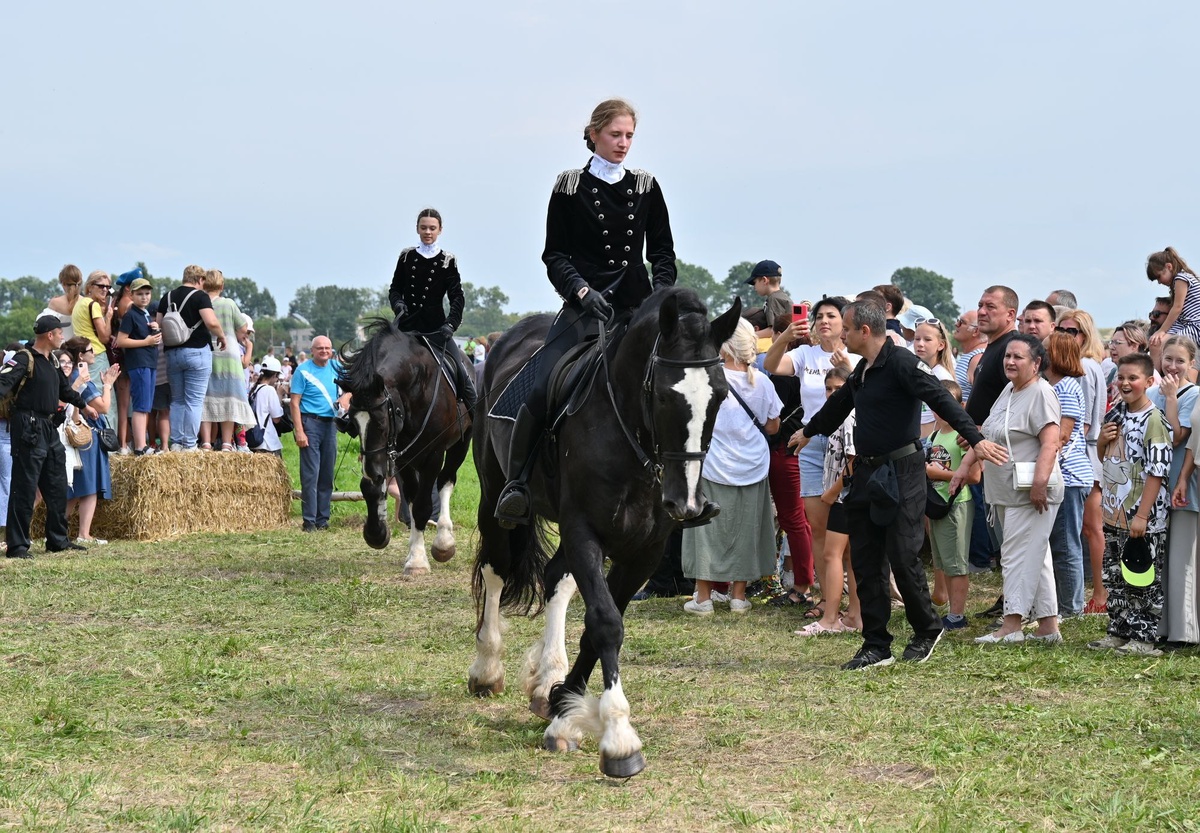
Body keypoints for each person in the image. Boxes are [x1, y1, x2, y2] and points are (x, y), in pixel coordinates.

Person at [793, 300, 1008, 670]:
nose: (841, 334)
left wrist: (975, 439)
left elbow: (942, 397)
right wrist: (807, 432)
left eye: (846, 328)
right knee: (865, 559)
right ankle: (877, 644)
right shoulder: (864, 369)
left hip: (904, 472)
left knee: (903, 556)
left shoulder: (903, 364)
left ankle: (927, 628)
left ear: (864, 330)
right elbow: (840, 404)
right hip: (868, 473)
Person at [494, 97, 677, 527]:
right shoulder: (569, 186)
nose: (624, 143)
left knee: (676, 387)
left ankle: (680, 485)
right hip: (584, 308)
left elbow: (663, 253)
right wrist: (579, 289)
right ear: (593, 134)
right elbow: (554, 254)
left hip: (636, 306)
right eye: (616, 134)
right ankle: (518, 483)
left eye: (630, 135)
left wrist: (660, 297)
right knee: (540, 390)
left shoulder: (647, 185)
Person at [953, 334, 1064, 645]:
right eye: (1007, 357)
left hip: (1031, 494)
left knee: (1015, 557)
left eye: (1018, 357)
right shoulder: (1009, 389)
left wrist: (1039, 485)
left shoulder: (1041, 393)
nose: (1010, 362)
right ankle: (1047, 628)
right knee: (1035, 557)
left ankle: (1012, 626)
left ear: (1037, 363)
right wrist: (963, 468)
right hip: (1006, 490)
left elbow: (1050, 443)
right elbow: (988, 435)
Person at [682, 319, 781, 615]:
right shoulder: (762, 381)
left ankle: (704, 597)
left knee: (706, 530)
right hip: (753, 464)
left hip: (714, 463)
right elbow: (774, 425)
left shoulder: (708, 378)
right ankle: (738, 596)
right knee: (748, 530)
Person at [763, 296, 856, 606]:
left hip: (849, 447)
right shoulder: (805, 354)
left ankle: (852, 594)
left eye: (832, 315)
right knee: (818, 527)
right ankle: (824, 596)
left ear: (845, 323)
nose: (824, 321)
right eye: (820, 316)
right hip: (813, 445)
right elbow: (771, 365)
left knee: (850, 528)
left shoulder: (856, 357)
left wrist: (848, 368)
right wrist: (786, 338)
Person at [1090, 353, 1172, 656]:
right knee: (1114, 575)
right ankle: (1119, 630)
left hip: (1142, 517)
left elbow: (1157, 471)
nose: (1124, 383)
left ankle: (1143, 637)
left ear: (1149, 382)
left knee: (1142, 577)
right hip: (1114, 513)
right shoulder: (1116, 415)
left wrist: (1142, 515)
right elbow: (1108, 459)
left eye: (1132, 378)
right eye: (1121, 377)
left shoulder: (1154, 420)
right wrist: (1101, 441)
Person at [0, 316, 96, 559]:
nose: (63, 336)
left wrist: (83, 405)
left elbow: (64, 390)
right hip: (28, 426)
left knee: (56, 485)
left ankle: (57, 540)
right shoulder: (24, 358)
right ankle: (18, 546)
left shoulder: (52, 361)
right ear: (49, 335)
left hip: (48, 427)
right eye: (59, 332)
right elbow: (3, 382)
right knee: (25, 487)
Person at [963, 286, 1021, 605]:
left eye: (991, 306)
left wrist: (981, 433)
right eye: (980, 305)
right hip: (984, 452)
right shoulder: (993, 349)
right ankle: (1008, 597)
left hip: (998, 456)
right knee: (999, 532)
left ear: (1010, 314)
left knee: (1009, 535)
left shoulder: (1010, 350)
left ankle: (1015, 601)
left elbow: (1016, 404)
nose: (982, 312)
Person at [794, 366, 861, 635]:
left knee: (834, 554)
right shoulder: (840, 418)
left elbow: (855, 461)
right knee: (843, 554)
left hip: (846, 497)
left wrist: (832, 492)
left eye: (838, 389)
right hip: (844, 495)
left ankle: (831, 618)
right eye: (828, 388)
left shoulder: (850, 418)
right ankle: (855, 615)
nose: (832, 394)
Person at [388, 207, 476, 414]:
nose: (428, 232)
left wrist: (450, 324)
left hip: (436, 329)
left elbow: (457, 297)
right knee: (376, 362)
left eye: (432, 228)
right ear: (417, 229)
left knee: (463, 377)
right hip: (406, 327)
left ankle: (479, 421)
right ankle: (353, 413)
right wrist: (397, 304)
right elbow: (395, 289)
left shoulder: (448, 260)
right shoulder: (406, 257)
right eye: (424, 228)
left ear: (440, 230)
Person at [1056, 309, 1111, 616]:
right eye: (1061, 331)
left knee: (1090, 528)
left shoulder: (1085, 367)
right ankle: (1097, 593)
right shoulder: (1084, 365)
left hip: (1085, 451)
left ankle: (1100, 594)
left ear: (1086, 335)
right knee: (1087, 528)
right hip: (1085, 450)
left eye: (1072, 331)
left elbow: (1085, 421)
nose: (1067, 337)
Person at [1152, 336, 1199, 645]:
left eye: (1179, 360)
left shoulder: (1192, 395)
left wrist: (1170, 399)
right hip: (1156, 483)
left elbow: (1177, 436)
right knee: (1162, 559)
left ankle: (1184, 631)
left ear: (1191, 364)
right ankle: (1162, 625)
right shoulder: (1152, 392)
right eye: (1168, 359)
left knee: (1183, 556)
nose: (1172, 366)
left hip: (1183, 482)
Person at [1043, 331, 1093, 618]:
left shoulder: (1068, 387)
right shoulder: (1054, 385)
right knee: (1057, 542)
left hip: (1070, 476)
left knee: (1065, 543)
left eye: (1045, 348)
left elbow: (1063, 434)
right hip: (1060, 474)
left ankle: (1071, 608)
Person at [926, 379, 981, 630]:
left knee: (957, 562)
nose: (940, 411)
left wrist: (939, 475)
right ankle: (951, 610)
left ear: (960, 406)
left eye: (947, 405)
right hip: (937, 504)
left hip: (956, 503)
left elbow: (975, 476)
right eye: (937, 404)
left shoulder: (963, 437)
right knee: (943, 561)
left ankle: (958, 615)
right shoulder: (935, 435)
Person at [158, 264, 227, 451]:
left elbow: (158, 325)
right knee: (194, 401)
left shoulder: (167, 296)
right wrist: (221, 335)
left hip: (172, 353)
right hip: (197, 352)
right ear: (200, 280)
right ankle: (189, 444)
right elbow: (211, 321)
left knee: (178, 400)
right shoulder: (200, 296)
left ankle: (177, 443)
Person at [62, 336, 120, 545]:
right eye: (90, 350)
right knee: (89, 486)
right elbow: (103, 407)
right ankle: (84, 534)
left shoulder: (71, 375)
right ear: (81, 356)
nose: (94, 353)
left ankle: (59, 527)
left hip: (76, 436)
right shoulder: (81, 378)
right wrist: (107, 385)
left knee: (76, 488)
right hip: (87, 437)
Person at [290, 336, 350, 532]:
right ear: (312, 351)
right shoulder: (303, 370)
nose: (324, 351)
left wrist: (344, 397)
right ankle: (309, 521)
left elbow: (353, 387)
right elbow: (294, 402)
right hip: (310, 423)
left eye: (328, 348)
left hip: (330, 424)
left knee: (326, 474)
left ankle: (322, 520)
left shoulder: (336, 367)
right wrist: (299, 430)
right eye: (320, 348)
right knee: (311, 475)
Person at [199, 269, 254, 451]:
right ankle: (226, 443)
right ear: (222, 286)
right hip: (228, 355)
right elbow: (243, 329)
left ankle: (206, 442)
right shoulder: (229, 303)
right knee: (230, 398)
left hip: (206, 352)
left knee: (206, 398)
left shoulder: (200, 302)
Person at [114, 277, 162, 455]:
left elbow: (152, 340)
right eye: (140, 294)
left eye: (147, 293)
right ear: (131, 294)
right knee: (140, 406)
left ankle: (143, 444)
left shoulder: (146, 314)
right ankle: (140, 446)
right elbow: (121, 340)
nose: (144, 297)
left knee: (146, 406)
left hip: (149, 362)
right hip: (139, 363)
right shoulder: (130, 315)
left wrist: (155, 330)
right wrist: (145, 341)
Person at [910, 317, 954, 440]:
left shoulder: (942, 377)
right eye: (917, 339)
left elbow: (948, 419)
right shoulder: (915, 371)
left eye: (927, 339)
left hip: (931, 442)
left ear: (941, 345)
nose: (920, 344)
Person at [1147, 247, 1200, 349]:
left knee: (1165, 344)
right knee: (1155, 342)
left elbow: (1177, 308)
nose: (1159, 282)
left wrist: (1162, 330)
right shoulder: (1178, 280)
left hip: (1195, 324)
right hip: (1184, 323)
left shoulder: (1181, 278)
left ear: (1169, 267)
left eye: (1159, 277)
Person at [72, 270, 113, 379]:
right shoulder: (93, 305)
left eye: (108, 287)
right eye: (101, 286)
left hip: (83, 354)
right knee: (104, 392)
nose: (105, 289)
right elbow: (104, 338)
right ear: (90, 287)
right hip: (97, 355)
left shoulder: (80, 303)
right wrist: (108, 318)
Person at [248, 355, 287, 456]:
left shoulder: (253, 388)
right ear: (274, 375)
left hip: (253, 437)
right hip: (267, 441)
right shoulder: (269, 390)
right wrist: (279, 394)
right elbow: (276, 418)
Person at [745, 260, 791, 339]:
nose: (754, 287)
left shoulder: (773, 299)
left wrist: (747, 336)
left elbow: (773, 331)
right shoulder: (782, 297)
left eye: (754, 282)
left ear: (764, 280)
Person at [952, 310, 985, 402]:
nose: (956, 324)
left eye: (962, 322)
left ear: (975, 331)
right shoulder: (970, 355)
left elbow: (981, 400)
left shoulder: (978, 358)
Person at [45, 264, 82, 340]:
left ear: (63, 284)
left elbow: (45, 326)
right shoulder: (87, 303)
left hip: (60, 347)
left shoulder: (54, 303)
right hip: (83, 348)